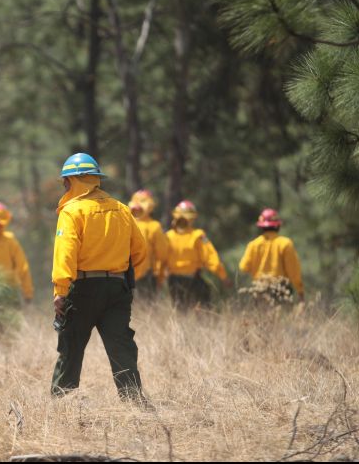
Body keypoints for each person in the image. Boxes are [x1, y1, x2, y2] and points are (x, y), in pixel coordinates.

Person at [51, 153, 148, 401]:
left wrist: (60, 291)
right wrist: (116, 271)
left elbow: (66, 253)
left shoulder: (72, 211)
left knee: (71, 349)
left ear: (76, 180)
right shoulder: (121, 209)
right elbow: (140, 251)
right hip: (117, 288)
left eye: (67, 180)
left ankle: (62, 404)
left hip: (82, 288)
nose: (65, 185)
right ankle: (134, 401)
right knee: (121, 347)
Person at [163, 200, 230, 307]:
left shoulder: (168, 236)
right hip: (193, 279)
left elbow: (160, 259)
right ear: (192, 218)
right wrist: (224, 277)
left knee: (180, 311)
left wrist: (159, 278)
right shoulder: (198, 235)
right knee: (204, 307)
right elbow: (211, 259)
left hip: (173, 280)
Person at [239, 208, 305, 301]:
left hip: (259, 289)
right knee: (282, 315)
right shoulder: (285, 243)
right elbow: (293, 270)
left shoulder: (253, 245)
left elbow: (243, 267)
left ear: (261, 226)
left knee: (261, 315)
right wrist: (300, 290)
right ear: (278, 225)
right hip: (281, 289)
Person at [128, 189, 169, 297]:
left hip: (125, 274)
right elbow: (162, 254)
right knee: (146, 310)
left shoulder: (124, 223)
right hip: (143, 275)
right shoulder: (154, 226)